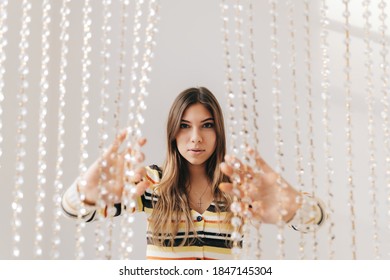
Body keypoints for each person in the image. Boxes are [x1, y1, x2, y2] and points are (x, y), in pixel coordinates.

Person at [61, 87, 326, 260]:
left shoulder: (238, 187)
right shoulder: (151, 183)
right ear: (173, 132)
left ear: (218, 131)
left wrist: (295, 208)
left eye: (207, 126)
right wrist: (86, 192)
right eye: (185, 126)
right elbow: (76, 211)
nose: (196, 138)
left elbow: (316, 219)